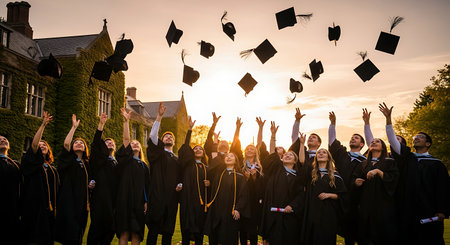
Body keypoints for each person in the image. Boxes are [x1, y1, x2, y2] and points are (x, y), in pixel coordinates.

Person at [379, 102, 450, 245]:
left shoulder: (437, 164)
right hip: (408, 210)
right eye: (414, 137)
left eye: (420, 137)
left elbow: (443, 189)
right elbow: (393, 141)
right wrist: (388, 120)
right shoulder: (407, 158)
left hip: (429, 210)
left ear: (428, 143)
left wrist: (442, 210)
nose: (416, 138)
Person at [260, 121, 303, 245]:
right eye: (286, 154)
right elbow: (273, 153)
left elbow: (300, 194)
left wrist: (292, 206)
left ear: (295, 161)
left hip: (289, 215)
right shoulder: (277, 168)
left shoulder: (298, 177)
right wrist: (273, 136)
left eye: (291, 155)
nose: (287, 155)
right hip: (273, 214)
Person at [299, 132, 346, 245]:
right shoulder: (311, 174)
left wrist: (329, 195)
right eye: (319, 153)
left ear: (328, 157)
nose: (321, 153)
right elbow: (302, 161)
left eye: (324, 152)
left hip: (328, 213)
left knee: (326, 238)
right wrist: (301, 144)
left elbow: (343, 195)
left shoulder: (335, 176)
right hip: (312, 211)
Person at [20, 111, 59, 245]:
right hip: (33, 206)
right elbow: (34, 145)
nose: (42, 146)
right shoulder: (31, 162)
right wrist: (43, 125)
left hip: (49, 209)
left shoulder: (53, 170)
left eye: (45, 145)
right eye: (40, 145)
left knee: (46, 239)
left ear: (49, 151)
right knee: (32, 238)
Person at [328, 111, 366, 245]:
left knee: (352, 232)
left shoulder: (365, 161)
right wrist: (332, 125)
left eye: (356, 138)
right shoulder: (343, 154)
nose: (353, 139)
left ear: (362, 144)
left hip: (353, 199)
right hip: (337, 196)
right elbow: (332, 142)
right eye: (352, 137)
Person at [146, 102, 182, 245]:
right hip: (157, 197)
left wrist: (180, 184)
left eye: (171, 137)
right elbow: (153, 137)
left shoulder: (177, 160)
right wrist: (159, 117)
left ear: (174, 142)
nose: (168, 138)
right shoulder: (158, 154)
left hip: (171, 200)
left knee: (168, 233)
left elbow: (181, 177)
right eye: (166, 137)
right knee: (153, 232)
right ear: (161, 141)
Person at [352, 138, 399, 245]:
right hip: (366, 205)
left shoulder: (390, 162)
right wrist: (355, 182)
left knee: (382, 235)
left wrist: (378, 171)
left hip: (383, 205)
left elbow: (394, 179)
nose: (373, 142)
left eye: (377, 141)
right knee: (365, 235)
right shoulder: (363, 164)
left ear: (383, 147)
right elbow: (354, 179)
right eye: (372, 141)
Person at [55, 114, 93, 245]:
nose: (78, 144)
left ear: (84, 148)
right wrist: (73, 128)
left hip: (82, 203)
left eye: (81, 143)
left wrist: (91, 184)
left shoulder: (87, 164)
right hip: (68, 201)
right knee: (69, 234)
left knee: (79, 234)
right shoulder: (68, 159)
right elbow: (66, 143)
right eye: (76, 142)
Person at [115, 108, 150, 245]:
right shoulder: (126, 160)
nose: (134, 144)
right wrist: (126, 121)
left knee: (137, 232)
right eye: (132, 144)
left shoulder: (144, 166)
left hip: (139, 202)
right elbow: (126, 139)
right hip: (124, 200)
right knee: (124, 231)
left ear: (141, 149)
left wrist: (146, 202)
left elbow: (147, 186)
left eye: (137, 144)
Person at [204, 149, 249, 245]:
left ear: (236, 160)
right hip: (217, 211)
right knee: (214, 236)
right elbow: (213, 162)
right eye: (227, 156)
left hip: (231, 212)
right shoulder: (218, 174)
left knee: (230, 238)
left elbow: (243, 195)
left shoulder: (240, 176)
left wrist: (238, 209)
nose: (228, 157)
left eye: (231, 156)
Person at [233, 117, 265, 245]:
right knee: (242, 230)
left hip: (254, 201)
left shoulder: (259, 166)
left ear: (256, 152)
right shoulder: (240, 163)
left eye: (252, 148)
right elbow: (235, 145)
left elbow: (260, 144)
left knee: (252, 230)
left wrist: (260, 128)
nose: (250, 150)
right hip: (242, 199)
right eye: (247, 148)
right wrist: (238, 128)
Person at [87, 112, 118, 245]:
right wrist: (101, 125)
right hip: (100, 200)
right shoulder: (99, 160)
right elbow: (95, 144)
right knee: (96, 230)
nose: (109, 143)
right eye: (106, 142)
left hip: (113, 202)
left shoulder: (117, 163)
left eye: (111, 142)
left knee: (109, 231)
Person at [178, 116, 210, 245]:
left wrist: (209, 183)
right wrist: (189, 130)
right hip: (187, 202)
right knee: (186, 230)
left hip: (201, 204)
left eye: (200, 149)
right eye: (195, 148)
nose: (197, 149)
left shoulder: (207, 168)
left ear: (203, 153)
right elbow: (185, 148)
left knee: (199, 233)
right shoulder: (188, 164)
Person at [0, 134, 21, 244]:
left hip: (13, 208)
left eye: (5, 139)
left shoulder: (15, 164)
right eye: (0, 140)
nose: (3, 140)